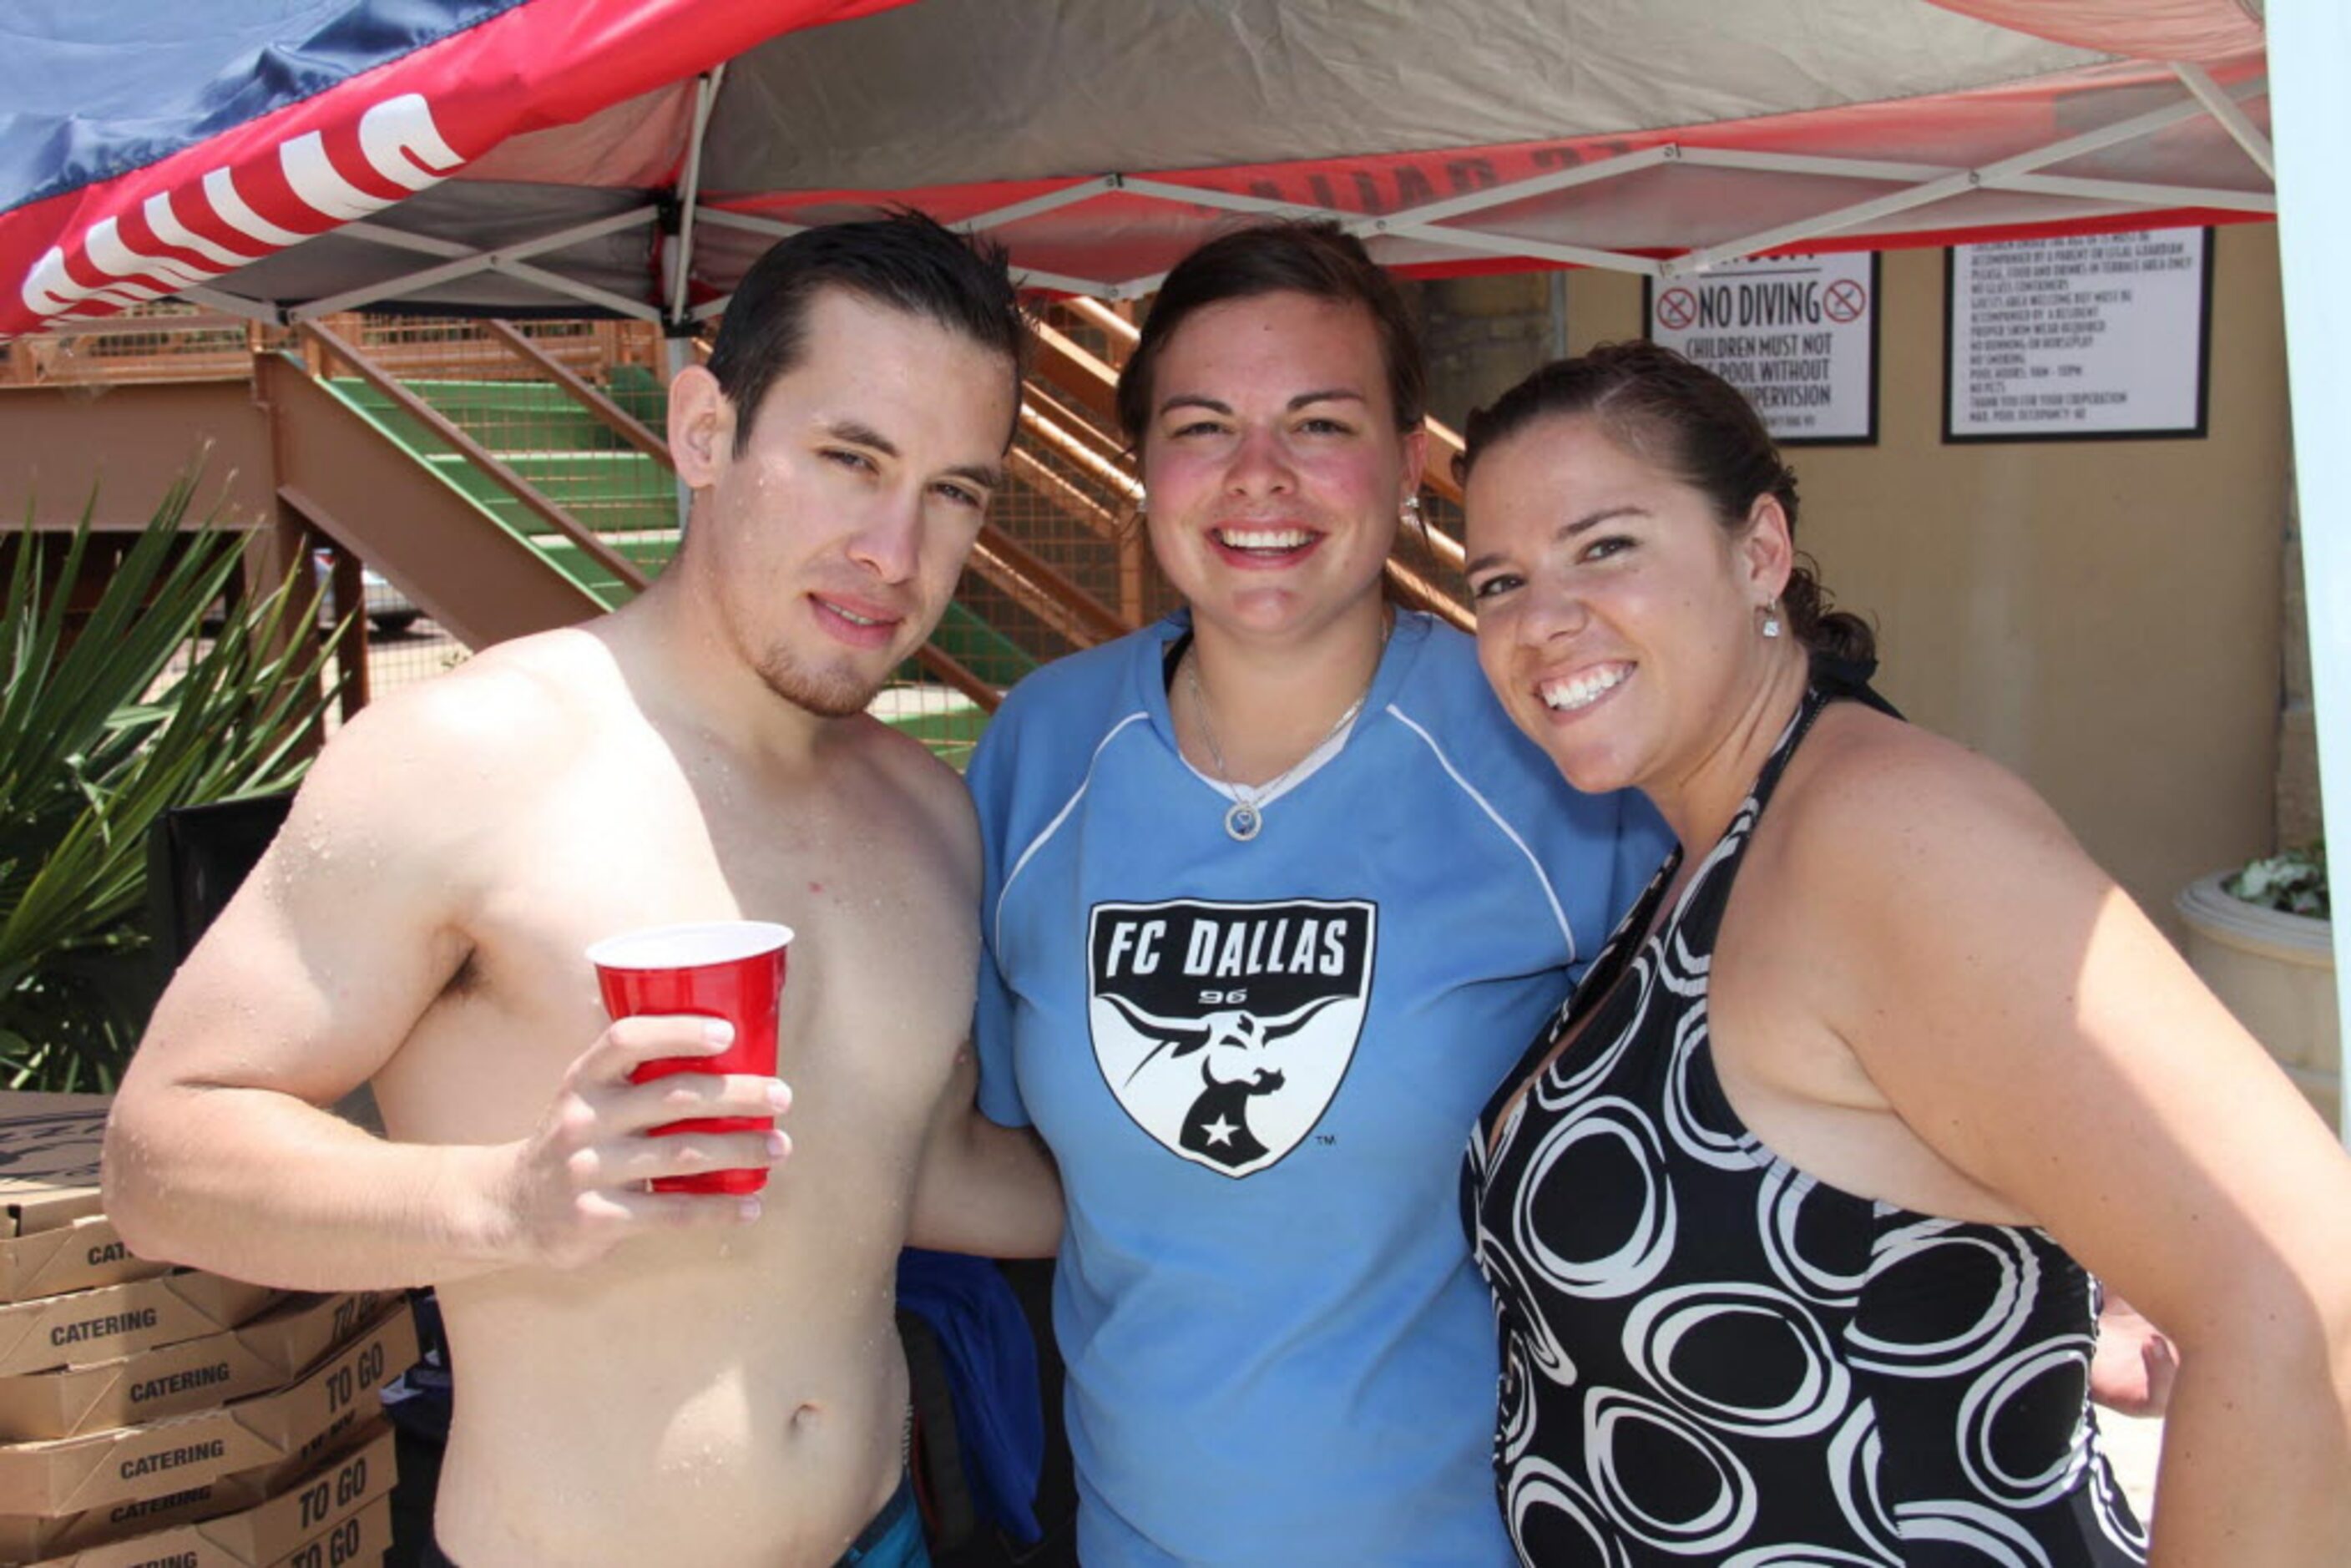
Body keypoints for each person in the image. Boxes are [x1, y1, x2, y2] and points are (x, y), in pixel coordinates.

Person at [100, 213, 1063, 1568]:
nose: (896, 551)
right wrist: (503, 1203)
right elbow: (160, 1155)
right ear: (704, 432)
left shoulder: (929, 812)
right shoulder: (469, 759)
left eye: (955, 490)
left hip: (884, 1534)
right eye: (851, 459)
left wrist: (1275, 1189)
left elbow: (908, 1163)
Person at [1457, 341, 2351, 1564]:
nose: (1542, 620)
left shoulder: (1882, 831)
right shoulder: (1721, 846)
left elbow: (2300, 1299)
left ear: (1758, 551)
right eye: (1498, 579)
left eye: (1604, 546)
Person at [964, 221, 1668, 1565]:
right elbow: (1031, 1164)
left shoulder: (1548, 738)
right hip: (1133, 1533)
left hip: (1493, 1536)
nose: (1258, 478)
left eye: (1319, 421)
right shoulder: (1042, 751)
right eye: (1203, 425)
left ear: (1411, 464)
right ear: (1144, 462)